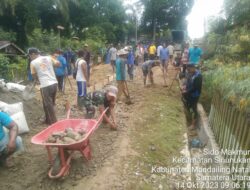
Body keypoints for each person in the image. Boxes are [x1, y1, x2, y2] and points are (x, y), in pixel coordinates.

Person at [29, 48, 60, 125]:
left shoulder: (33, 62)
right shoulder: (48, 57)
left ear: (33, 54)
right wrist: (49, 68)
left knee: (48, 104)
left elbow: (33, 74)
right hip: (54, 83)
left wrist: (37, 79)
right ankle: (48, 119)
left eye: (30, 55)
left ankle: (53, 123)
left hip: (45, 85)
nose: (30, 57)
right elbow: (58, 64)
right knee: (50, 103)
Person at [181, 64, 202, 129]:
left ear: (193, 68)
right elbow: (189, 82)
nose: (188, 71)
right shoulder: (191, 73)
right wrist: (185, 87)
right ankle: (189, 119)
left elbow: (195, 88)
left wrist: (186, 91)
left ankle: (193, 125)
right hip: (189, 93)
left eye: (189, 69)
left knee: (193, 108)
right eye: (187, 70)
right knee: (187, 104)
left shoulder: (198, 76)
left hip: (194, 95)